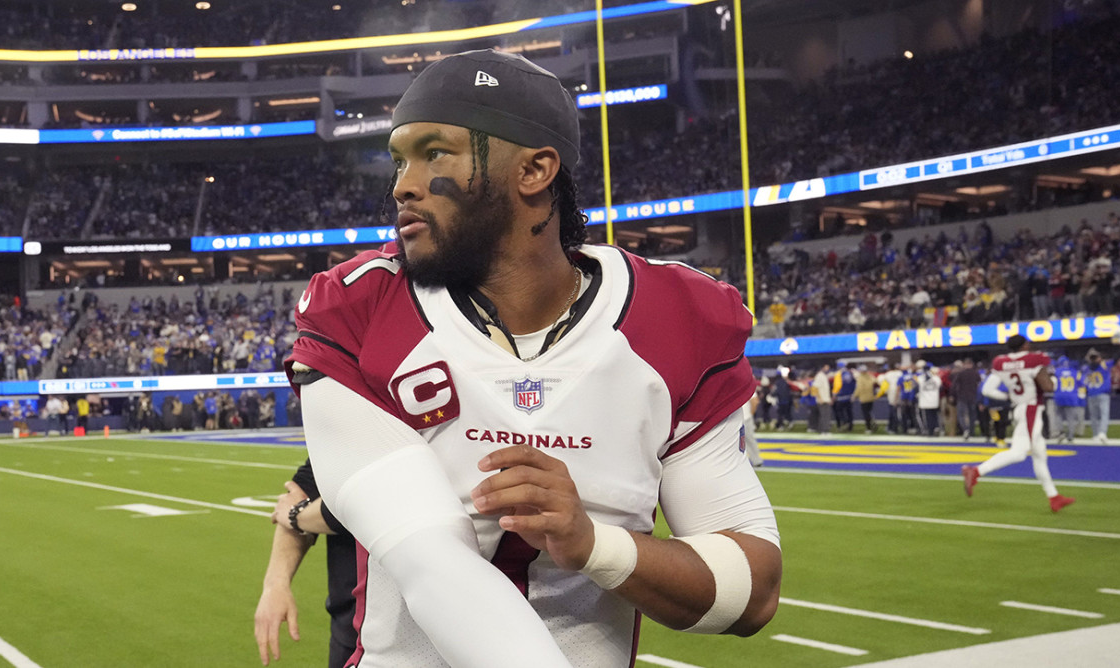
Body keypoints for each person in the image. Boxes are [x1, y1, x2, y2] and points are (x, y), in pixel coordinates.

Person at [284, 49, 781, 667]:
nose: (402, 186)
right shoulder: (359, 307)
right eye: (399, 159)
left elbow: (752, 593)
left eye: (434, 152)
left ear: (535, 170)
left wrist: (594, 544)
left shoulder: (678, 320)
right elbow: (431, 560)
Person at [254, 459, 357, 668]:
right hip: (351, 623)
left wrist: (296, 515)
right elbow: (305, 487)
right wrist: (276, 583)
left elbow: (361, 501)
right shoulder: (342, 433)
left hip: (417, 623)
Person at [962, 335, 1074, 512]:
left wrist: (1007, 397)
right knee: (1019, 453)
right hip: (1031, 409)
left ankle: (1054, 497)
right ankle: (976, 471)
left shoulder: (1001, 362)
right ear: (1025, 345)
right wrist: (1054, 380)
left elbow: (987, 390)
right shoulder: (1034, 359)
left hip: (1019, 407)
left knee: (1040, 455)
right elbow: (1048, 387)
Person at [1083, 349, 1112, 443]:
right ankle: (1102, 433)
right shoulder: (1103, 365)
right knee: (1104, 414)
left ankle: (1095, 434)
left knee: (1093, 416)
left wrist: (1089, 358)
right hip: (1102, 393)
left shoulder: (1087, 368)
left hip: (1091, 393)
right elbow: (1116, 358)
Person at [1054, 357, 1086, 443]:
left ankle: (1061, 433)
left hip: (1059, 395)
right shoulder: (1075, 372)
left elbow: (1053, 382)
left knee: (1058, 416)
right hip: (1071, 396)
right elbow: (1082, 383)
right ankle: (1070, 436)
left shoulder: (1056, 371)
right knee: (1070, 418)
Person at [951, 358, 981, 440]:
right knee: (972, 415)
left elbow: (954, 386)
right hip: (973, 397)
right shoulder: (975, 373)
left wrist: (953, 395)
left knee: (961, 415)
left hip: (962, 397)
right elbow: (980, 385)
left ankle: (966, 429)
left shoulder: (961, 373)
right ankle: (971, 431)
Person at [915, 362, 942, 436]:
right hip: (934, 401)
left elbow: (916, 388)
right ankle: (935, 429)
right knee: (934, 416)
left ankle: (929, 431)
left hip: (925, 401)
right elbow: (940, 387)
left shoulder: (920, 378)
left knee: (927, 418)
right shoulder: (936, 378)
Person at [852, 364, 878, 433]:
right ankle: (872, 422)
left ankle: (868, 428)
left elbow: (859, 388)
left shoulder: (860, 378)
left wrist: (854, 396)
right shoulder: (870, 376)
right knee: (869, 412)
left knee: (865, 413)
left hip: (864, 398)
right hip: (871, 397)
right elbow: (876, 381)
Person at [831, 361, 856, 431]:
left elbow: (837, 386)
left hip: (841, 397)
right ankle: (850, 426)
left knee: (839, 412)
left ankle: (843, 423)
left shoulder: (838, 374)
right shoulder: (850, 373)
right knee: (849, 412)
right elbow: (854, 383)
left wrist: (834, 395)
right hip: (849, 396)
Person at [811, 364, 833, 434]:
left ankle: (825, 430)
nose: (827, 369)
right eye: (826, 367)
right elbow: (814, 388)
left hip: (826, 399)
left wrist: (829, 399)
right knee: (824, 415)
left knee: (826, 415)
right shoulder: (819, 376)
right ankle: (823, 431)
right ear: (822, 368)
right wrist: (819, 398)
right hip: (822, 400)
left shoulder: (824, 376)